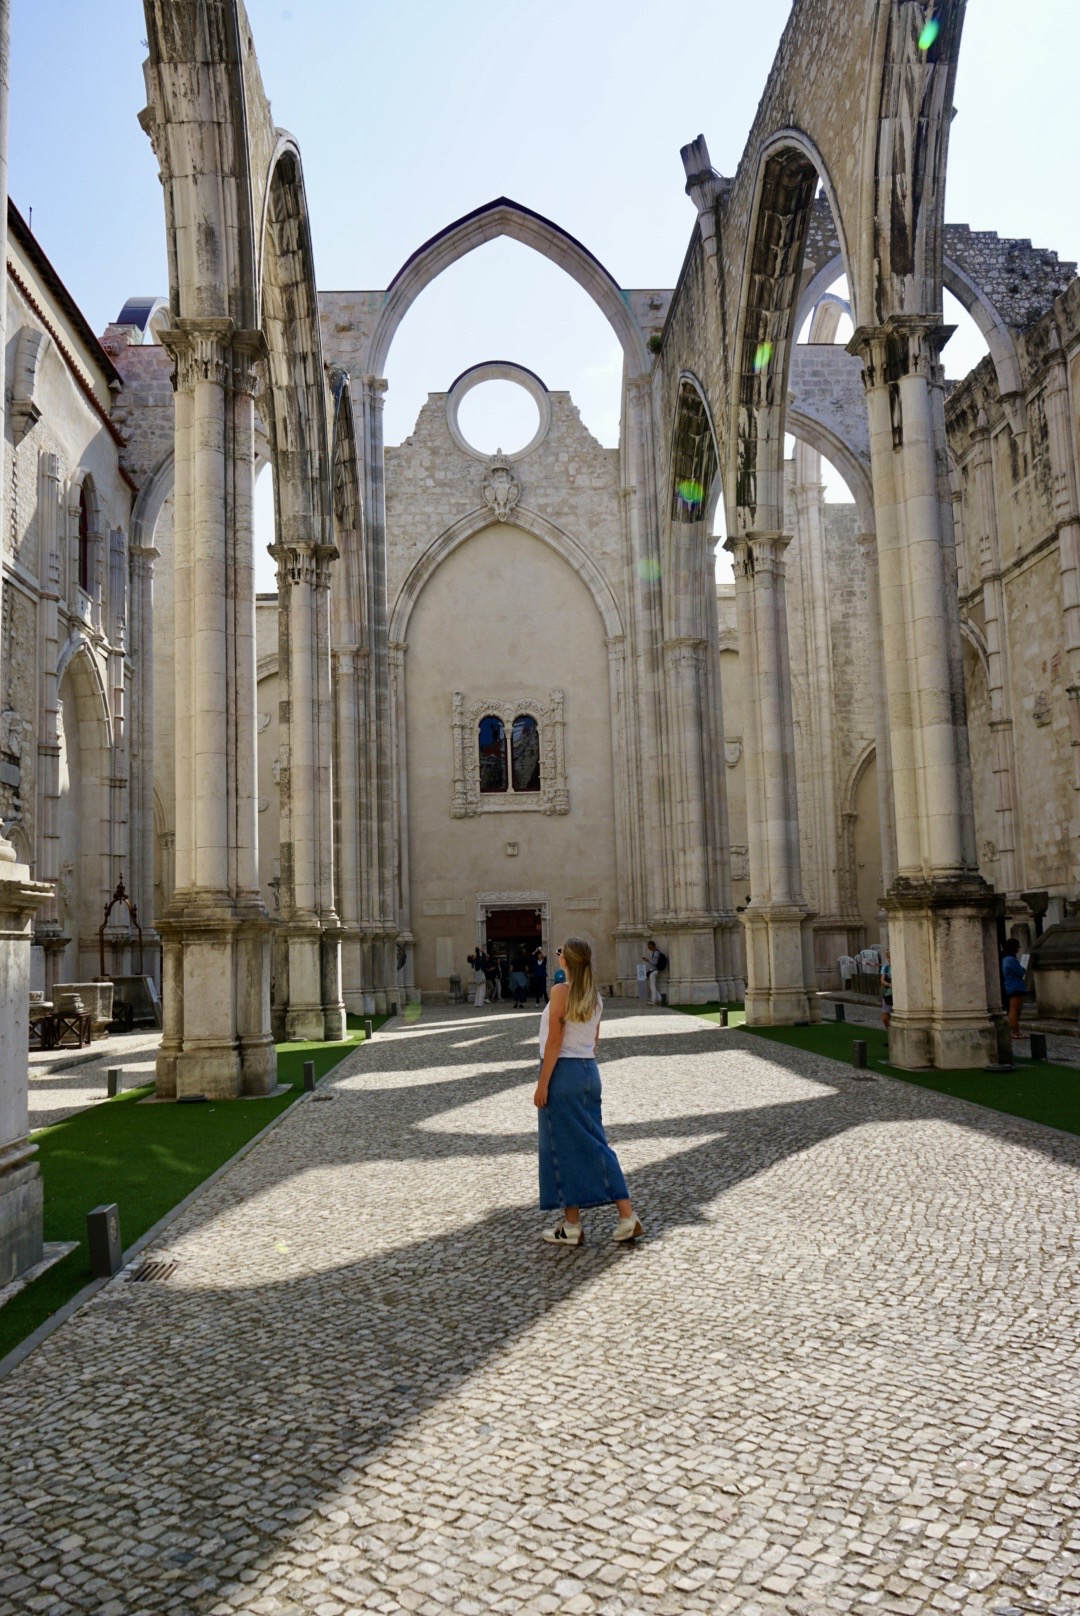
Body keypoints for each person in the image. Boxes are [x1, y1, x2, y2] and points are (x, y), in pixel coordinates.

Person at [534, 937, 643, 1246]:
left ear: (566, 960)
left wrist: (543, 1083)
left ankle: (617, 1217)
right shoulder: (595, 996)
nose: (558, 956)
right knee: (591, 1142)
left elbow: (555, 1040)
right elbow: (594, 1041)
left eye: (560, 952)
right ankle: (581, 1223)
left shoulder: (560, 991)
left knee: (560, 1145)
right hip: (588, 1072)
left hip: (563, 1073)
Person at [1002, 939, 1027, 1039]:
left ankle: (1015, 1030)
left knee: (1014, 1010)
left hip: (1011, 986)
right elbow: (1021, 972)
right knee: (1014, 1010)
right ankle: (1015, 1031)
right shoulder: (1011, 960)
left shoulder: (1005, 959)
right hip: (1015, 986)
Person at [642, 939, 662, 1004]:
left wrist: (648, 960)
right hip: (653, 971)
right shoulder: (654, 952)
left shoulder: (656, 953)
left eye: (650, 947)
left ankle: (654, 1000)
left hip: (654, 971)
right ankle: (659, 998)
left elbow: (655, 963)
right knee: (652, 986)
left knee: (652, 986)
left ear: (653, 946)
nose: (649, 949)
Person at [880, 949, 893, 1030]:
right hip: (888, 994)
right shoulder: (886, 968)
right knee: (884, 1018)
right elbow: (882, 980)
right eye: (888, 957)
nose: (890, 959)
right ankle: (890, 1033)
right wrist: (889, 984)